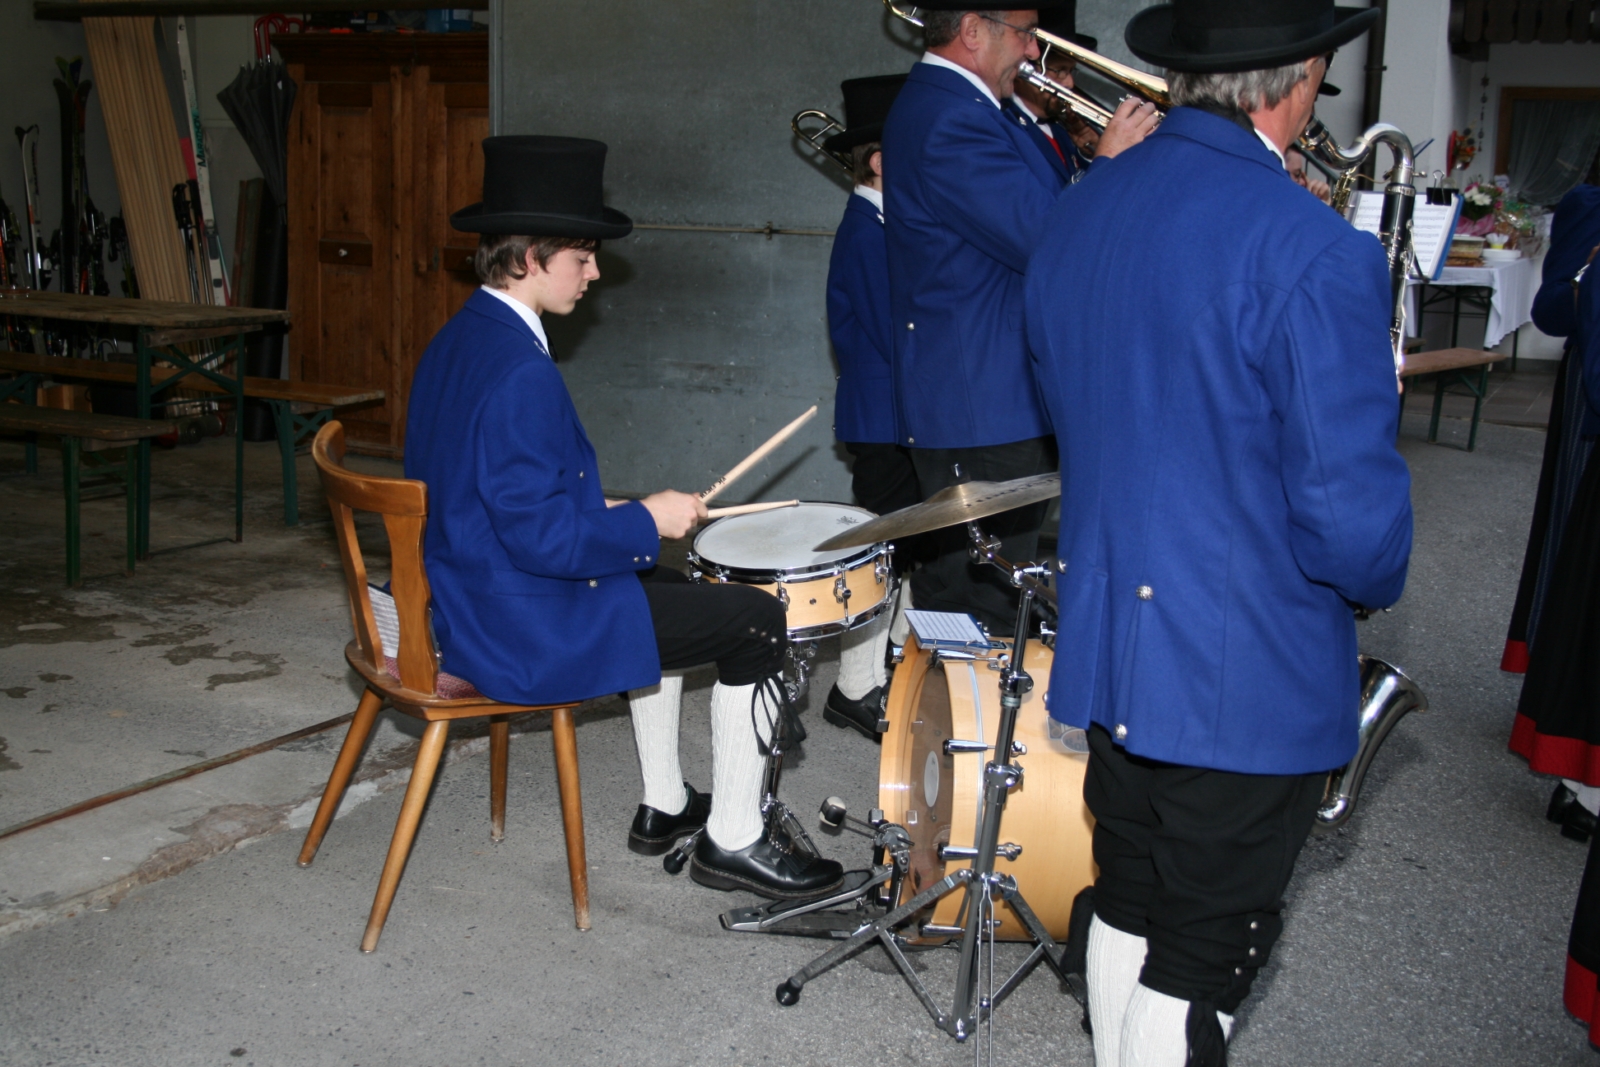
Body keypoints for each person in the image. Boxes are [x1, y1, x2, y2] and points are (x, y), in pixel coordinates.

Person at [1025, 2, 1412, 1063]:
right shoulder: (1314, 248)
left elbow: (1074, 414)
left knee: (1130, 893)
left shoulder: (1079, 208)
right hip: (1239, 667)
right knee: (1204, 952)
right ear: (1298, 79)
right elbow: (1351, 527)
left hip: (1113, 640)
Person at [404, 135, 844, 900]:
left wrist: (616, 512)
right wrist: (643, 518)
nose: (595, 273)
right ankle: (735, 840)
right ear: (530, 258)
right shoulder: (521, 370)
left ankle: (665, 802)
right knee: (753, 619)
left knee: (670, 584)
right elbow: (542, 540)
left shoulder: (460, 339)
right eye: (582, 258)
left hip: (466, 590)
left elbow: (490, 491)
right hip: (515, 623)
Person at [881, 4, 1073, 636]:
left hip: (986, 395)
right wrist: (1113, 167)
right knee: (983, 604)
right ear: (971, 31)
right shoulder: (952, 118)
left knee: (974, 597)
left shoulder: (972, 109)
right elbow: (1046, 237)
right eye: (1025, 34)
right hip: (981, 401)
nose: (1033, 51)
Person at [818, 73, 920, 741]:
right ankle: (854, 687)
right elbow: (897, 334)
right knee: (884, 552)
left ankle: (894, 668)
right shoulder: (867, 232)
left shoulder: (884, 225)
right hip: (884, 419)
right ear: (880, 162)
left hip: (897, 415)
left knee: (912, 547)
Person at [1509, 189, 1600, 841]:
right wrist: (1586, 285)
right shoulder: (1590, 204)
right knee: (1579, 571)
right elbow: (1550, 309)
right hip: (1591, 400)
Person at [1008, 2, 1158, 179]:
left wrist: (1089, 153)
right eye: (1060, 71)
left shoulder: (1060, 128)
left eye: (1071, 71)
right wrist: (1108, 153)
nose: (1070, 83)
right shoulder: (1008, 127)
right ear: (1025, 68)